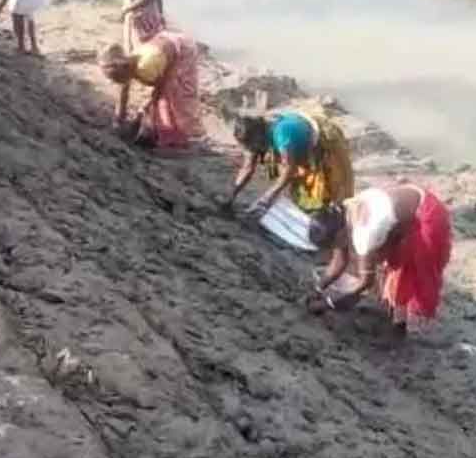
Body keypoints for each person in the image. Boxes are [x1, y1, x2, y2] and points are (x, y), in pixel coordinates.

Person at [307, 184, 452, 338]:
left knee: (417, 272)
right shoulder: (344, 214)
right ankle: (398, 323)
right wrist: (318, 288)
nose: (335, 249)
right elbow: (339, 261)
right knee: (392, 269)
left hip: (426, 215)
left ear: (340, 235)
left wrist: (330, 303)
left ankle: (412, 328)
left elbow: (365, 283)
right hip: (404, 214)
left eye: (333, 245)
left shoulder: (363, 234)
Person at [227, 110, 355, 216]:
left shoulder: (282, 134)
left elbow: (289, 169)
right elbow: (247, 168)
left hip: (322, 143)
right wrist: (231, 197)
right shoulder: (254, 141)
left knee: (337, 195)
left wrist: (266, 199)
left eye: (251, 145)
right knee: (303, 198)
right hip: (297, 150)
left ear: (259, 136)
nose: (250, 150)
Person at [97, 31, 201, 149]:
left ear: (125, 69)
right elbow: (123, 91)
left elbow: (160, 89)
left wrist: (143, 110)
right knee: (159, 103)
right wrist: (118, 119)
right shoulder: (129, 63)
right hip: (165, 42)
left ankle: (179, 135)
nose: (117, 82)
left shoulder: (147, 69)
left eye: (116, 78)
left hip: (183, 51)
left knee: (172, 96)